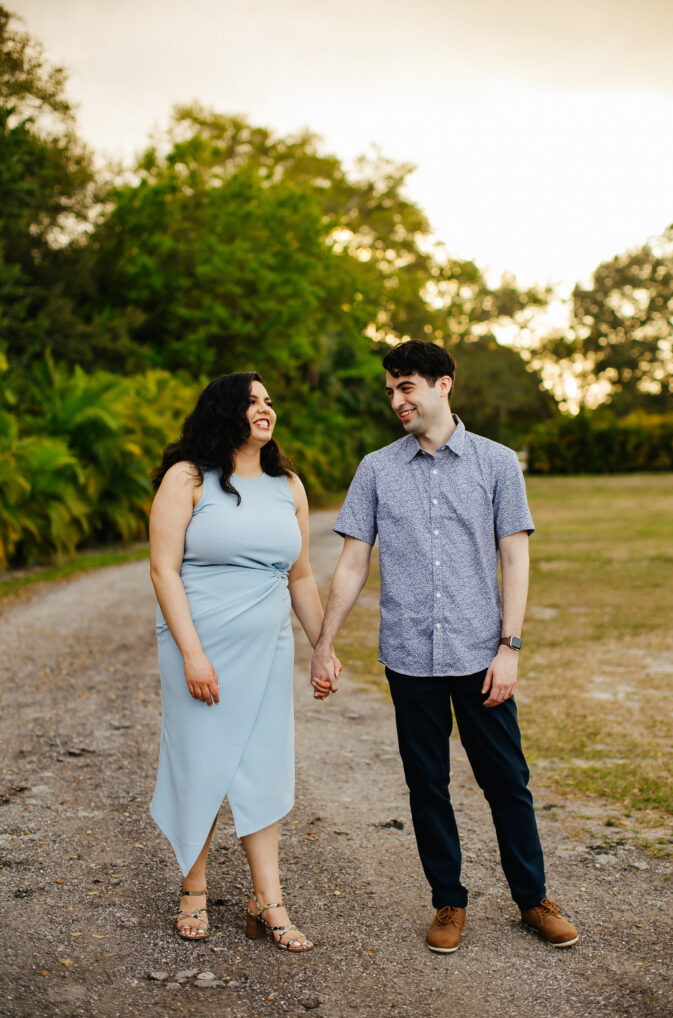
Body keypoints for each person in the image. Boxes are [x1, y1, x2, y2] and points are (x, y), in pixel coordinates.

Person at [310, 340, 578, 952]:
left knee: (507, 781)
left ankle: (533, 899)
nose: (397, 400)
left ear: (443, 385)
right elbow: (352, 564)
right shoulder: (376, 468)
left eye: (406, 387)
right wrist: (324, 644)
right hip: (408, 656)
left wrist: (509, 647)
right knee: (427, 784)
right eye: (391, 390)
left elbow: (516, 554)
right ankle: (448, 903)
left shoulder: (497, 462)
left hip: (481, 654)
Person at [149, 371, 338, 949]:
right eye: (252, 401)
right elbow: (164, 571)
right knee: (201, 761)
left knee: (263, 764)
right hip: (199, 645)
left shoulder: (289, 485)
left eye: (269, 402)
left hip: (267, 649)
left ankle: (268, 901)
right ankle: (194, 891)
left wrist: (321, 646)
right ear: (224, 411)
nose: (265, 410)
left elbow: (301, 576)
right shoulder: (188, 479)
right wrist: (192, 655)